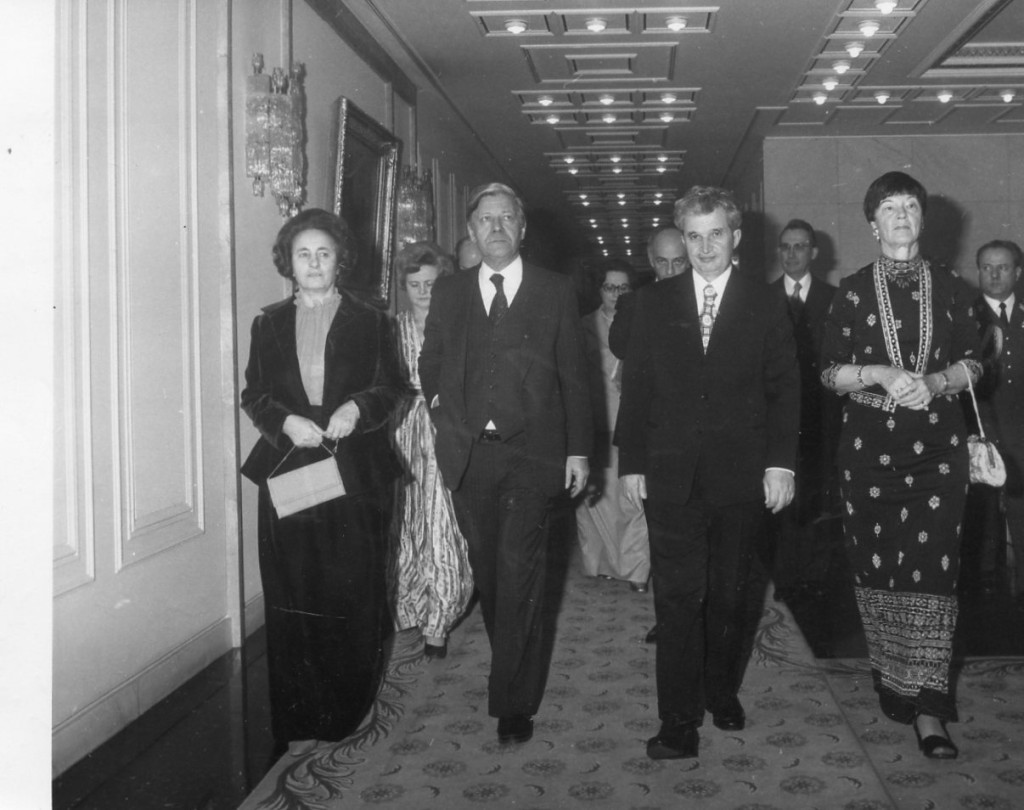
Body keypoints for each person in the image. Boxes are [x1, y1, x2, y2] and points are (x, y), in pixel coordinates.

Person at [617, 186, 800, 760]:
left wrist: (781, 465)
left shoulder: (766, 302)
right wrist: (631, 463)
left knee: (730, 596)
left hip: (741, 475)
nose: (703, 247)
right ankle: (677, 721)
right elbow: (636, 386)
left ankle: (721, 691)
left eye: (715, 234)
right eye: (693, 236)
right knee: (676, 599)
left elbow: (785, 390)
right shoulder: (652, 302)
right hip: (670, 475)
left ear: (735, 237)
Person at [419, 182, 592, 746]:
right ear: (471, 231)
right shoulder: (450, 291)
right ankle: (514, 661)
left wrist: (578, 449)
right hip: (470, 456)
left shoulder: (555, 290)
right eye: (485, 219)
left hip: (532, 455)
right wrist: (443, 407)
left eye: (505, 218)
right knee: (492, 576)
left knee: (519, 573)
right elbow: (430, 360)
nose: (495, 228)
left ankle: (512, 702)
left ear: (522, 228)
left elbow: (575, 374)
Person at [819, 171, 982, 760]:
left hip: (939, 451)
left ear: (923, 218)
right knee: (881, 568)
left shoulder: (953, 287)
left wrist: (936, 382)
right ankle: (894, 681)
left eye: (910, 205)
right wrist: (881, 374)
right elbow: (829, 372)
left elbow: (975, 364)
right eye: (890, 207)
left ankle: (930, 711)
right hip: (869, 457)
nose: (902, 215)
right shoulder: (852, 291)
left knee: (934, 574)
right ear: (873, 223)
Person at [239, 208, 407, 754]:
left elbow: (392, 388)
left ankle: (345, 709)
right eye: (303, 254)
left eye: (324, 253)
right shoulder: (266, 324)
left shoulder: (373, 321)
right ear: (288, 262)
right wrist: (284, 421)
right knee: (292, 591)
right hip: (289, 466)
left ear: (340, 261)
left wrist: (357, 409)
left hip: (354, 470)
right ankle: (297, 713)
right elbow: (254, 394)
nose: (313, 263)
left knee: (350, 588)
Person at [391, 241, 474, 659]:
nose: (424, 292)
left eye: (431, 283)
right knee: (409, 522)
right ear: (404, 287)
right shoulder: (393, 330)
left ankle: (439, 620)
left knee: (444, 522)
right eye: (415, 284)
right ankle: (409, 608)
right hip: (404, 433)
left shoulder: (460, 326)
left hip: (447, 432)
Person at [766, 220, 840, 608]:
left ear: (814, 252)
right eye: (785, 246)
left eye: (800, 246)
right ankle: (786, 575)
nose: (792, 253)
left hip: (821, 416)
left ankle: (815, 575)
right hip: (776, 416)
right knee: (780, 497)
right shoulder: (761, 298)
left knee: (818, 494)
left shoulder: (835, 298)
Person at [576, 263, 650, 592]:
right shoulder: (582, 326)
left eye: (623, 288)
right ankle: (602, 565)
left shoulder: (645, 323)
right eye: (609, 287)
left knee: (632, 499)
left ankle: (636, 571)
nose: (616, 294)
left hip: (630, 422)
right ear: (599, 290)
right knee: (595, 500)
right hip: (593, 422)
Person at [972, 239, 1024, 607]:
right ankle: (983, 587)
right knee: (983, 515)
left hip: (1021, 429)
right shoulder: (964, 316)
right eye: (987, 268)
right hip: (981, 428)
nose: (993, 275)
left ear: (1017, 273)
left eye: (1002, 267)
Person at [609, 227, 688, 359]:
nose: (670, 271)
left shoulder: (705, 299)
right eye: (662, 261)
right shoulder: (632, 303)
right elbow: (619, 350)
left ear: (688, 261)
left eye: (677, 261)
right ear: (651, 260)